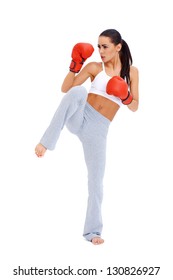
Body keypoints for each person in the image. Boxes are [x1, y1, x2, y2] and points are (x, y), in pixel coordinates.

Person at [35, 29, 139, 245]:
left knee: (96, 182)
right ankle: (47, 141)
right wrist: (74, 65)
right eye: (98, 46)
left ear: (118, 46)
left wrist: (125, 95)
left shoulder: (131, 72)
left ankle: (92, 233)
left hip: (98, 130)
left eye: (105, 46)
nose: (100, 51)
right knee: (78, 92)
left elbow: (135, 106)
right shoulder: (94, 67)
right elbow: (66, 89)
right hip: (80, 116)